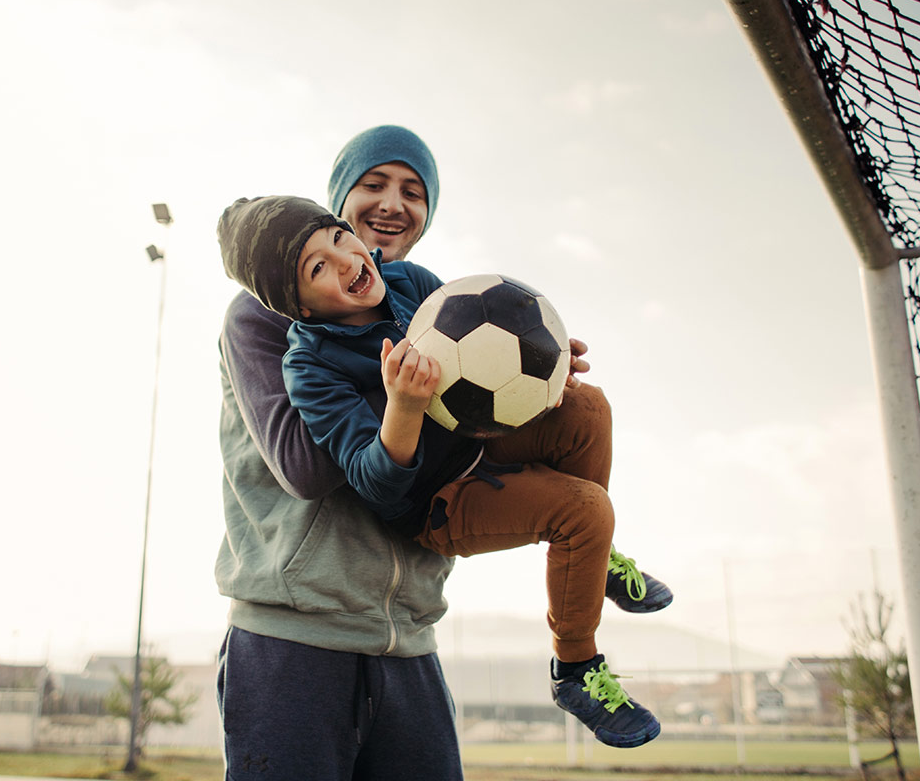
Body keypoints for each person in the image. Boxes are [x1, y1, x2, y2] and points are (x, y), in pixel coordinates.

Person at [217, 192, 669, 748]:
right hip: (432, 501)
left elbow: (483, 345)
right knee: (586, 511)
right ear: (299, 307)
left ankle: (594, 562)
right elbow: (373, 482)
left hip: (473, 443)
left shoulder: (410, 281)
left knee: (587, 407)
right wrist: (402, 408)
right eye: (317, 268)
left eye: (338, 238)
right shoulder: (308, 365)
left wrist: (538, 361)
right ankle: (576, 669)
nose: (345, 261)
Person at [213, 126, 464, 780]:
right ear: (336, 205)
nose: (392, 203)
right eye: (373, 184)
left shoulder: (427, 314)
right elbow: (305, 468)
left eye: (412, 191)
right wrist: (401, 393)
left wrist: (529, 371)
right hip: (295, 640)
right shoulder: (262, 317)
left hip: (409, 639)